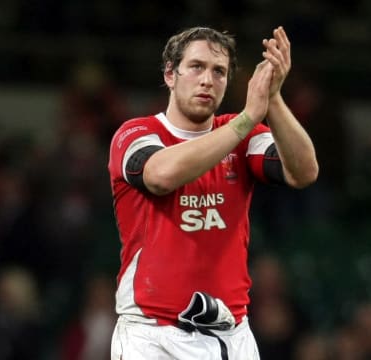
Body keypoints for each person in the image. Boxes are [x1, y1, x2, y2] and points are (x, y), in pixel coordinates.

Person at [107, 26, 318, 359]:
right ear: (170, 74)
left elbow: (304, 172)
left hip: (233, 335)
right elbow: (161, 176)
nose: (207, 79)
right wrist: (247, 119)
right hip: (153, 336)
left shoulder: (243, 135)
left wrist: (273, 97)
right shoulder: (137, 133)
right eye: (196, 67)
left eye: (218, 71)